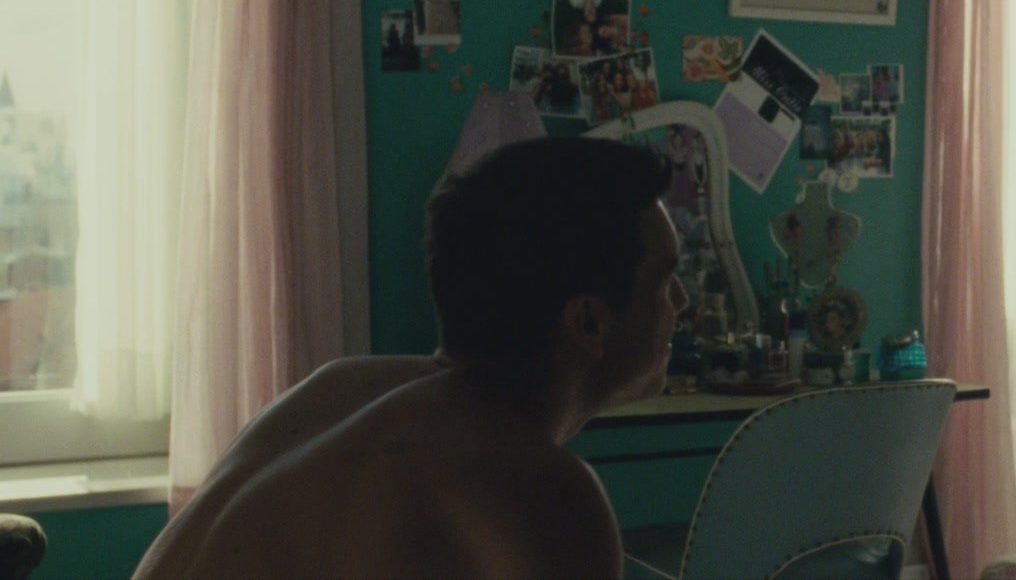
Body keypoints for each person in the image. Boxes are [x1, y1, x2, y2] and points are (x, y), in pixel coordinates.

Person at [134, 137, 687, 579]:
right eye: (664, 282)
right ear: (588, 322)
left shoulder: (336, 386)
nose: (682, 303)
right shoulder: (540, 487)